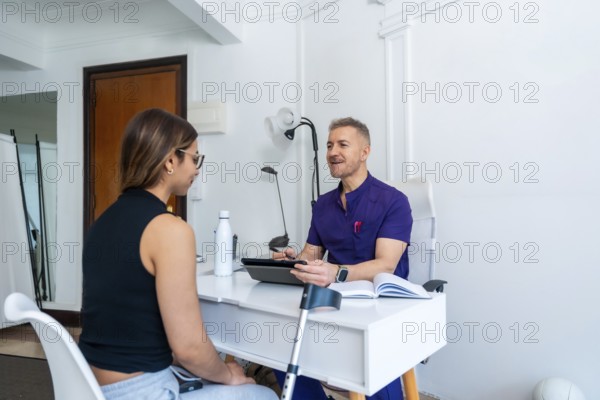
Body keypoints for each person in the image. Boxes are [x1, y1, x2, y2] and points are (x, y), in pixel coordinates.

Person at [79, 108, 277, 400]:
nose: (197, 169)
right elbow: (188, 348)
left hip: (88, 384)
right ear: (171, 160)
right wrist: (229, 376)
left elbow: (129, 320)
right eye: (195, 158)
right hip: (141, 390)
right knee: (263, 395)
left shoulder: (101, 223)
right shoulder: (171, 230)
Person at [273, 117, 413, 400]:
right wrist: (293, 261)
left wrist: (335, 272)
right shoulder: (323, 205)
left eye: (342, 144)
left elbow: (386, 265)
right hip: (333, 300)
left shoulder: (393, 201)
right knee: (279, 346)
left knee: (371, 374)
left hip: (380, 305)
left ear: (365, 152)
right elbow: (311, 256)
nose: (332, 151)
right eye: (329, 145)